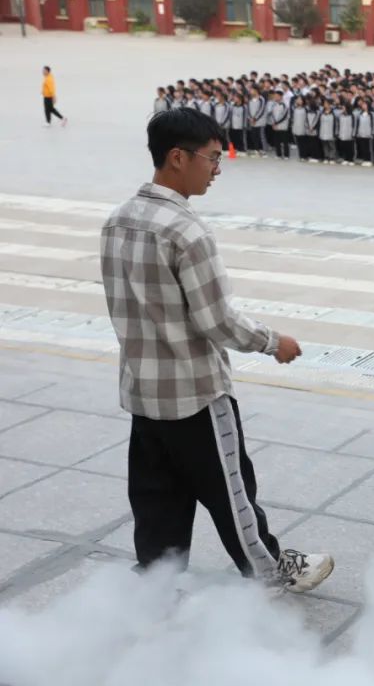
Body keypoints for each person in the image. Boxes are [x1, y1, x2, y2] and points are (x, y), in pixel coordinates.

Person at [99, 109, 334, 592]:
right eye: (212, 158)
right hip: (194, 392)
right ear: (177, 157)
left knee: (157, 497)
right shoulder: (186, 231)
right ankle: (271, 572)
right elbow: (217, 320)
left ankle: (156, 583)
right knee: (232, 493)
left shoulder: (118, 220)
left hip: (143, 391)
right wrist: (273, 342)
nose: (217, 169)